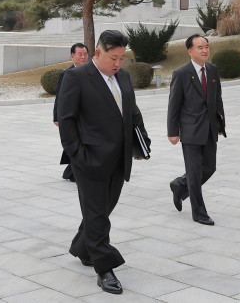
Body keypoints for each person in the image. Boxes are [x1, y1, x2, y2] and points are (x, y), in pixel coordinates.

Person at [57, 30, 149, 295]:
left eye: (121, 57)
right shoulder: (76, 77)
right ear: (98, 53)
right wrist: (77, 155)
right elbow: (67, 119)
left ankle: (82, 247)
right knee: (98, 214)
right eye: (113, 57)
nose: (118, 63)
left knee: (103, 209)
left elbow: (131, 110)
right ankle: (105, 268)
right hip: (89, 159)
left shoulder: (122, 76)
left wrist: (142, 142)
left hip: (119, 158)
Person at [167, 34, 226, 226]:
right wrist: (172, 131)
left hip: (209, 129)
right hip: (190, 131)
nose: (205, 50)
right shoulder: (181, 73)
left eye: (206, 46)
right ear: (190, 51)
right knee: (194, 172)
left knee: (209, 168)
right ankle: (199, 213)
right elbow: (173, 105)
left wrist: (219, 124)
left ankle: (179, 186)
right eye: (200, 47)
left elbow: (217, 99)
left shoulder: (213, 70)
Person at [53, 42, 89, 182]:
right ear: (72, 56)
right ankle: (73, 172)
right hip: (72, 116)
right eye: (80, 54)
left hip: (87, 116)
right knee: (76, 143)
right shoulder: (66, 74)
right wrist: (57, 117)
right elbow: (60, 98)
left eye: (85, 54)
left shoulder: (92, 71)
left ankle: (70, 172)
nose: (83, 57)